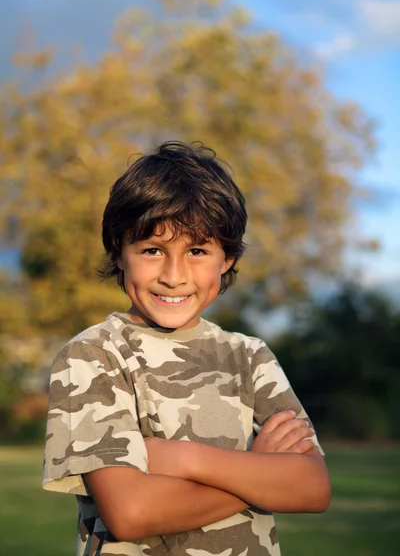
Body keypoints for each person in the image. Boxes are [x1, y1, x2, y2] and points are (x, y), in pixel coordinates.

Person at [42, 141, 331, 556]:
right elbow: (131, 512)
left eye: (197, 251)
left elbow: (312, 488)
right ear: (119, 252)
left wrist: (182, 458)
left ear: (226, 257)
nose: (174, 276)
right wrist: (258, 470)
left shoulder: (250, 357)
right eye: (152, 251)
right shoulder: (93, 355)